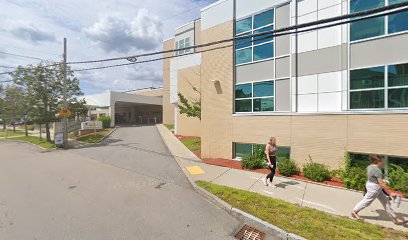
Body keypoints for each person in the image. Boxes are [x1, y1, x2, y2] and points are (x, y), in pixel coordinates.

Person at [351, 155, 406, 225]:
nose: (383, 162)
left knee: (386, 202)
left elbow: (372, 178)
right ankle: (354, 211)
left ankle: (395, 219)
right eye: (382, 161)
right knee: (367, 201)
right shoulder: (377, 170)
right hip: (375, 188)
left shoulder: (369, 167)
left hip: (372, 185)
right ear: (377, 161)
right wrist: (390, 193)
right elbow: (381, 183)